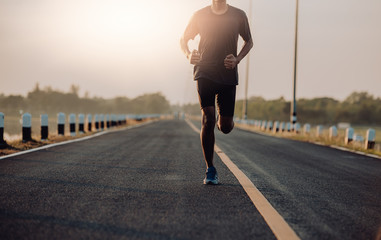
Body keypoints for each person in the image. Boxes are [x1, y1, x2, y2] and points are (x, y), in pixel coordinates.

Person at [180, 0, 253, 185]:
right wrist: (189, 55)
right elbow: (183, 39)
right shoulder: (200, 15)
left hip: (227, 73)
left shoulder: (238, 15)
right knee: (208, 118)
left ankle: (224, 120)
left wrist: (237, 59)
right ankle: (210, 169)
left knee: (226, 127)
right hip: (204, 71)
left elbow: (249, 41)